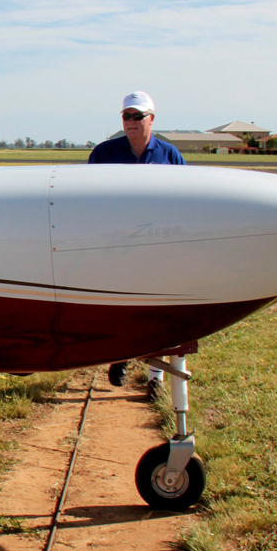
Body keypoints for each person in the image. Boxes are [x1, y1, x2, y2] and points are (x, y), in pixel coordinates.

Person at [89, 91, 184, 398]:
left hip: (159, 245)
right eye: (126, 116)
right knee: (119, 304)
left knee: (163, 308)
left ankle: (155, 377)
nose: (131, 122)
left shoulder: (170, 156)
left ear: (151, 119)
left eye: (137, 116)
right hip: (117, 246)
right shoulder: (104, 154)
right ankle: (120, 356)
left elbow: (186, 200)